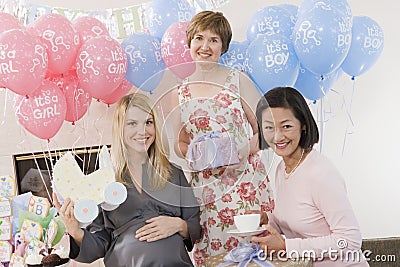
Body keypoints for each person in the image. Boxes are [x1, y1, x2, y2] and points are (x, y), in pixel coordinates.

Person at [169, 10, 274, 266]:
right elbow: (179, 143)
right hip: (206, 192)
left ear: (223, 46)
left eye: (214, 40)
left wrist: (240, 150)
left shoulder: (237, 80)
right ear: (190, 42)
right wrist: (196, 155)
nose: (205, 46)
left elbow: (267, 131)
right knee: (214, 257)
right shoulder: (178, 91)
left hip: (244, 185)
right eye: (199, 38)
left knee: (254, 253)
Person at [53, 93, 202, 267]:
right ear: (120, 128)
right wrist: (75, 231)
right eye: (132, 123)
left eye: (148, 122)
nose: (142, 131)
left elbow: (195, 227)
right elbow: (99, 244)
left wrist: (178, 225)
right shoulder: (105, 180)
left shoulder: (174, 174)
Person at [250, 87, 369, 266]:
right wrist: (268, 219)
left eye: (286, 126)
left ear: (303, 125)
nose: (277, 136)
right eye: (269, 127)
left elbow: (350, 241)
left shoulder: (321, 174)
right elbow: (298, 220)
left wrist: (286, 246)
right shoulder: (282, 168)